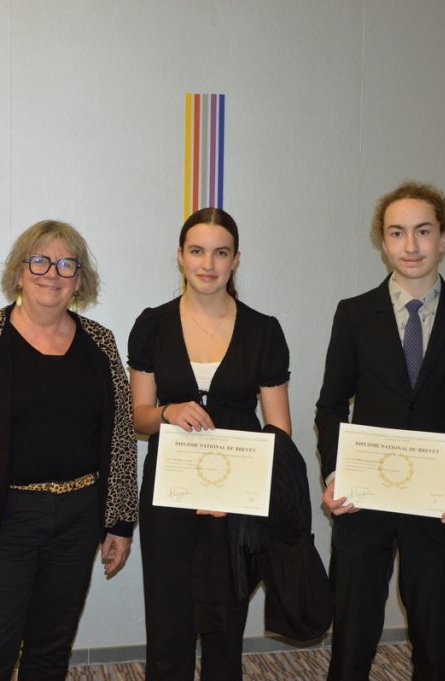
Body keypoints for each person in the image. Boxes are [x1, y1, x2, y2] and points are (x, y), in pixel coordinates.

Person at [0, 220, 137, 681]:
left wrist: (120, 520)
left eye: (66, 264)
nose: (52, 273)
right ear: (19, 272)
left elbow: (120, 436)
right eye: (39, 261)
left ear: (79, 279)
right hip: (3, 520)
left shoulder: (100, 343)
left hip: (79, 516)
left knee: (50, 648)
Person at [315, 181, 445, 681]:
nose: (411, 245)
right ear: (383, 241)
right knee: (352, 637)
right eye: (397, 233)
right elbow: (331, 405)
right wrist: (334, 474)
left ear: (444, 238)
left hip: (439, 503)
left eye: (423, 231)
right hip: (363, 501)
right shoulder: (353, 315)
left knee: (434, 638)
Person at [128, 207, 293, 681]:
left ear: (236, 260)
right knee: (168, 624)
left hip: (236, 501)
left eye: (220, 253)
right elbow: (138, 417)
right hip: (169, 495)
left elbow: (279, 428)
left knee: (226, 629)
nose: (208, 263)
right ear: (179, 257)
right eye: (197, 251)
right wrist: (167, 412)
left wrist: (239, 493)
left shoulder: (264, 331)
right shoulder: (152, 325)